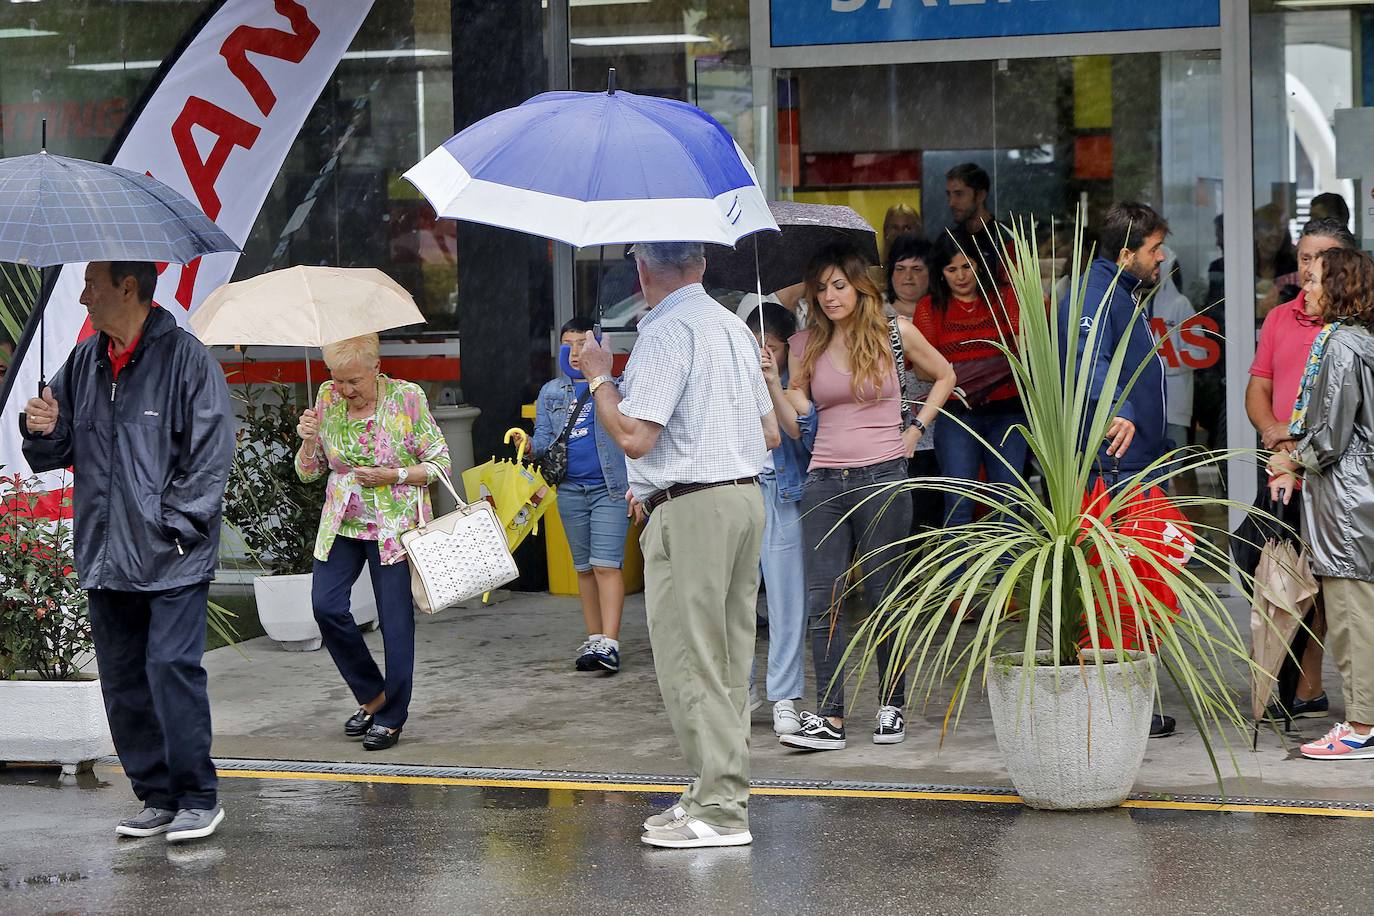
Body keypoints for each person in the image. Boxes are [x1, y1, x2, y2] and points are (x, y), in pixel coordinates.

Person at [578, 241, 780, 850]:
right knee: (726, 659)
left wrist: (598, 377)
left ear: (642, 271)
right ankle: (715, 793)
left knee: (691, 658)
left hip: (692, 506)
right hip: (744, 497)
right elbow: (771, 432)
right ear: (702, 265)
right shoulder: (732, 327)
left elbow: (635, 436)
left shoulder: (666, 330)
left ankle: (720, 808)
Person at [21, 261, 232, 843]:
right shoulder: (85, 362)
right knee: (122, 679)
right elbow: (56, 447)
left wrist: (175, 527)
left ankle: (197, 796)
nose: (84, 294)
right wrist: (41, 427)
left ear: (127, 288)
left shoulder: (185, 358)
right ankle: (157, 796)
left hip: (171, 556)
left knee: (170, 669)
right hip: (106, 553)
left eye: (92, 283)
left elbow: (211, 456)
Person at [772, 242, 956, 753]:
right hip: (824, 479)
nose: (830, 297)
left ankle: (890, 706)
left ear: (859, 287)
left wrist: (916, 428)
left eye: (839, 286)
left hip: (883, 474)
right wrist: (775, 383)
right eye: (821, 288)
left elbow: (945, 375)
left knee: (883, 594)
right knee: (822, 597)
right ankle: (828, 715)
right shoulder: (805, 341)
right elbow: (798, 409)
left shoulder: (895, 332)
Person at [295, 333, 450, 752]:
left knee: (396, 623)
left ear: (377, 369)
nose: (344, 390)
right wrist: (309, 438)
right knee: (325, 606)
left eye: (354, 381)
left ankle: (392, 714)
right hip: (343, 522)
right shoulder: (327, 399)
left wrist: (393, 475)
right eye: (337, 379)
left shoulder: (407, 398)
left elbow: (439, 463)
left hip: (393, 528)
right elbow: (309, 473)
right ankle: (373, 694)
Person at [1061, 202, 1174, 738]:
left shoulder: (1118, 290)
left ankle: (1126, 694)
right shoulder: (1096, 294)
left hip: (1135, 459)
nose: (1161, 258)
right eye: (1153, 250)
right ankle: (1115, 698)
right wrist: (1118, 411)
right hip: (1115, 461)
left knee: (1134, 579)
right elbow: (1089, 358)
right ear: (1125, 253)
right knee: (1117, 581)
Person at [1249, 219, 1357, 722]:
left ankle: (1307, 685)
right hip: (1282, 462)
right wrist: (1276, 435)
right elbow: (1258, 387)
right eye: (1305, 259)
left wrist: (1300, 451)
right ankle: (1285, 678)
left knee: (1321, 578)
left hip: (1330, 470)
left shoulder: (1354, 332)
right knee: (1263, 560)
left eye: (1322, 260)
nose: (1310, 270)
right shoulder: (1280, 317)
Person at [1268, 246, 1374, 761]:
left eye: (1312, 282)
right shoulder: (1364, 340)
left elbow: (1329, 436)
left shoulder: (1340, 347)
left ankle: (1361, 726)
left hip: (1347, 504)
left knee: (1352, 619)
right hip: (1362, 498)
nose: (1304, 289)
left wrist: (1291, 459)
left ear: (1338, 288)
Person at [518, 316, 629, 674]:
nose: (576, 352)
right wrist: (527, 444)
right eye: (568, 344)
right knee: (583, 569)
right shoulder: (551, 392)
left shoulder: (615, 387)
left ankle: (610, 643)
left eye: (583, 343)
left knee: (605, 565)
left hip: (610, 488)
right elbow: (545, 441)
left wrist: (603, 379)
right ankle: (594, 637)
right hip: (569, 489)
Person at [915, 230, 1025, 536]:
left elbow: (1025, 352)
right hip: (957, 414)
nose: (961, 276)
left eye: (967, 266)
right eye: (951, 270)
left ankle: (1010, 581)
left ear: (980, 265)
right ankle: (957, 582)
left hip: (1008, 411)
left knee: (1009, 501)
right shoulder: (930, 307)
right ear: (940, 272)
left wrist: (954, 370)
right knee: (958, 501)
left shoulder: (1005, 298)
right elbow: (923, 371)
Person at [748, 302, 816, 737]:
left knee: (789, 602)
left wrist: (772, 382)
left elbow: (802, 432)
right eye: (755, 347)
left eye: (771, 347)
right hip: (738, 491)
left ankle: (786, 697)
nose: (762, 355)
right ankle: (742, 689)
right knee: (732, 601)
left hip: (785, 495)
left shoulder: (796, 386)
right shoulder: (730, 382)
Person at [886, 235, 943, 531]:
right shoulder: (876, 316)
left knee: (933, 518)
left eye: (917, 269)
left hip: (937, 434)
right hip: (893, 437)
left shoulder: (941, 312)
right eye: (900, 268)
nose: (908, 276)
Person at [946, 162, 1007, 275]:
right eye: (949, 195)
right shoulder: (949, 240)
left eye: (959, 194)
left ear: (980, 195)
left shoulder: (1004, 236)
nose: (951, 203)